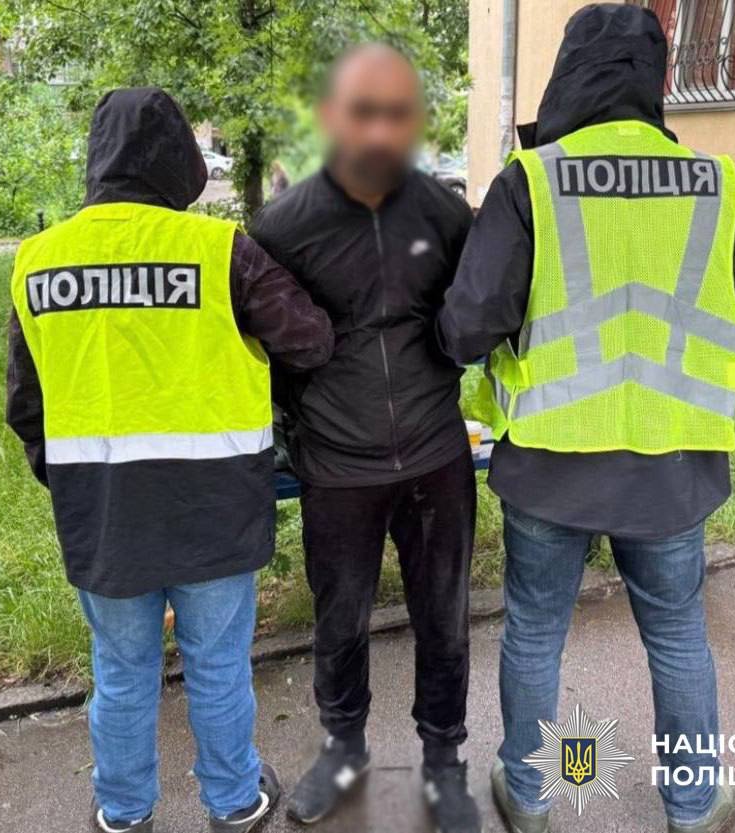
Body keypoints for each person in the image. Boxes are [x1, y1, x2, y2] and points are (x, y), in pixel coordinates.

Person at [437, 5, 735, 833]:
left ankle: (530, 796)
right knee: (678, 635)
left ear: (569, 74)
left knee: (535, 632)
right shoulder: (722, 183)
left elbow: (467, 325)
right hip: (673, 466)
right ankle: (694, 806)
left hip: (550, 462)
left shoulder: (533, 180)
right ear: (656, 78)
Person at [6, 87, 334, 833]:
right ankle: (235, 802)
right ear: (180, 159)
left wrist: (69, 481)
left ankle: (124, 813)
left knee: (121, 673)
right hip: (215, 504)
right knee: (217, 664)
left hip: (103, 510)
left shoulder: (38, 260)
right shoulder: (219, 250)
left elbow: (26, 405)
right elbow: (311, 340)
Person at [250, 44, 480, 833]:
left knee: (444, 619)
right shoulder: (282, 226)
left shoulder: (446, 214)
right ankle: (342, 748)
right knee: (339, 622)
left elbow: (473, 312)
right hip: (338, 465)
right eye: (362, 111)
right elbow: (266, 347)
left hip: (436, 455)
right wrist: (299, 430)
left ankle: (444, 762)